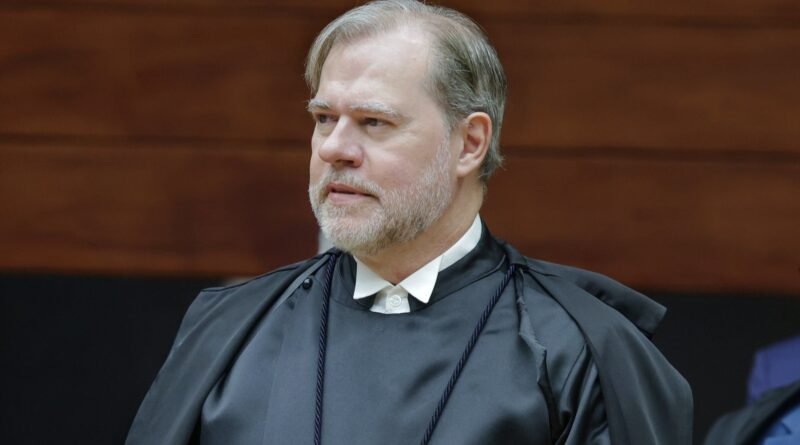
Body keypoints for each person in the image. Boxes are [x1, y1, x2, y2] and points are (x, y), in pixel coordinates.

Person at [126, 1, 692, 444]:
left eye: (374, 122)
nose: (335, 148)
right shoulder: (230, 328)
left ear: (469, 144)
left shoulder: (578, 350)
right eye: (324, 118)